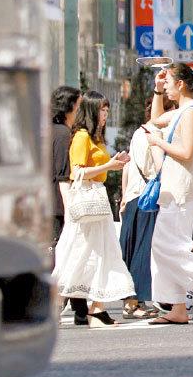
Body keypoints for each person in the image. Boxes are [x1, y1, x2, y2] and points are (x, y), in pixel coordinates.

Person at [52, 90, 135, 327]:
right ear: (91, 110)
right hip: (87, 199)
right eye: (102, 110)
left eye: (107, 110)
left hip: (98, 199)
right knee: (78, 253)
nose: (106, 115)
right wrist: (108, 165)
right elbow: (76, 172)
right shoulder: (80, 137)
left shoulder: (96, 138)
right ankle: (60, 304)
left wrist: (112, 165)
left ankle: (96, 307)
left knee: (101, 254)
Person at [146, 64, 193, 325]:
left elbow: (187, 152)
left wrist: (159, 143)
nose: (165, 86)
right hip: (173, 186)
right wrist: (156, 89)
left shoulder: (191, 113)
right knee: (169, 244)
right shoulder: (181, 111)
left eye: (168, 82)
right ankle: (178, 307)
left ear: (180, 84)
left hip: (181, 188)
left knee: (166, 244)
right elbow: (155, 120)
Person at [119, 94, 173, 319]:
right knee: (144, 249)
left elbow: (127, 167)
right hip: (148, 198)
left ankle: (131, 301)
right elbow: (159, 167)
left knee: (130, 249)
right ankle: (137, 302)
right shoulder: (155, 135)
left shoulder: (138, 132)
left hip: (133, 195)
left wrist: (123, 196)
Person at [49, 86, 81, 247]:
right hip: (58, 207)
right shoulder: (62, 134)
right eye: (78, 105)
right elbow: (63, 175)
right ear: (69, 107)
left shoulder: (50, 131)